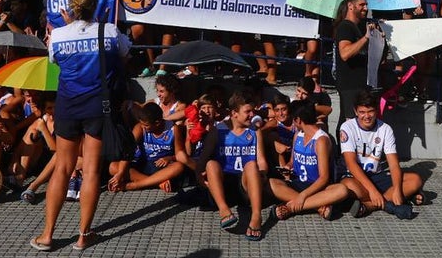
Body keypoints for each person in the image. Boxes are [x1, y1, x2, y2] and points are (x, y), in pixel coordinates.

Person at [30, 0, 129, 252]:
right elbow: (124, 51)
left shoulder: (60, 34)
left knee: (62, 167)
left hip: (68, 106)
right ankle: (84, 235)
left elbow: (55, 61)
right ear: (96, 5)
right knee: (92, 171)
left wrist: (68, 27)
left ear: (72, 6)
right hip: (98, 106)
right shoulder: (108, 30)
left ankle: (48, 234)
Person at [195, 91, 270, 241]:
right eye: (247, 111)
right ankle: (224, 210)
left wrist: (262, 174)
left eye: (253, 111)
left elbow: (261, 160)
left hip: (245, 184)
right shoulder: (219, 130)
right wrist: (199, 178)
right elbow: (202, 160)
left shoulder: (255, 131)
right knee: (211, 164)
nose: (252, 115)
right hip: (224, 184)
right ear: (234, 113)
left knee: (251, 164)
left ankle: (256, 216)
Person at [338, 89, 423, 218]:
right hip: (355, 178)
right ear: (355, 111)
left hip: (377, 176)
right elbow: (351, 164)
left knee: (415, 180)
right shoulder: (347, 127)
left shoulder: (385, 129)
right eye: (362, 112)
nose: (367, 116)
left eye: (370, 111)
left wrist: (398, 190)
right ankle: (390, 200)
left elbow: (394, 164)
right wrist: (372, 191)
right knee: (347, 186)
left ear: (376, 110)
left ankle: (369, 206)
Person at [269, 101, 353, 221]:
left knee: (342, 190)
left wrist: (303, 196)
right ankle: (318, 207)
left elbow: (324, 178)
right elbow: (292, 161)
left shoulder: (321, 140)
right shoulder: (297, 135)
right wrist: (288, 167)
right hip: (298, 184)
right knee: (272, 183)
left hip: (318, 188)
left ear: (298, 120)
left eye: (293, 119)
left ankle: (291, 207)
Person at [110, 101, 186, 193]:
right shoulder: (140, 128)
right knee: (113, 167)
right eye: (141, 124)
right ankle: (157, 182)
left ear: (157, 123)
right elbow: (128, 150)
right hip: (144, 163)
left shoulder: (173, 129)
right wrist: (120, 173)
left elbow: (180, 155)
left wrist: (169, 158)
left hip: (162, 167)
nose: (143, 127)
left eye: (146, 125)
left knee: (179, 167)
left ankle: (134, 185)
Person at [333, 0, 378, 136]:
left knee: (357, 125)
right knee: (349, 125)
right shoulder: (345, 27)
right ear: (351, 6)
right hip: (349, 85)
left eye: (366, 5)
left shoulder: (360, 25)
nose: (366, 8)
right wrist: (365, 38)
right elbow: (345, 53)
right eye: (362, 5)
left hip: (361, 84)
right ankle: (343, 156)